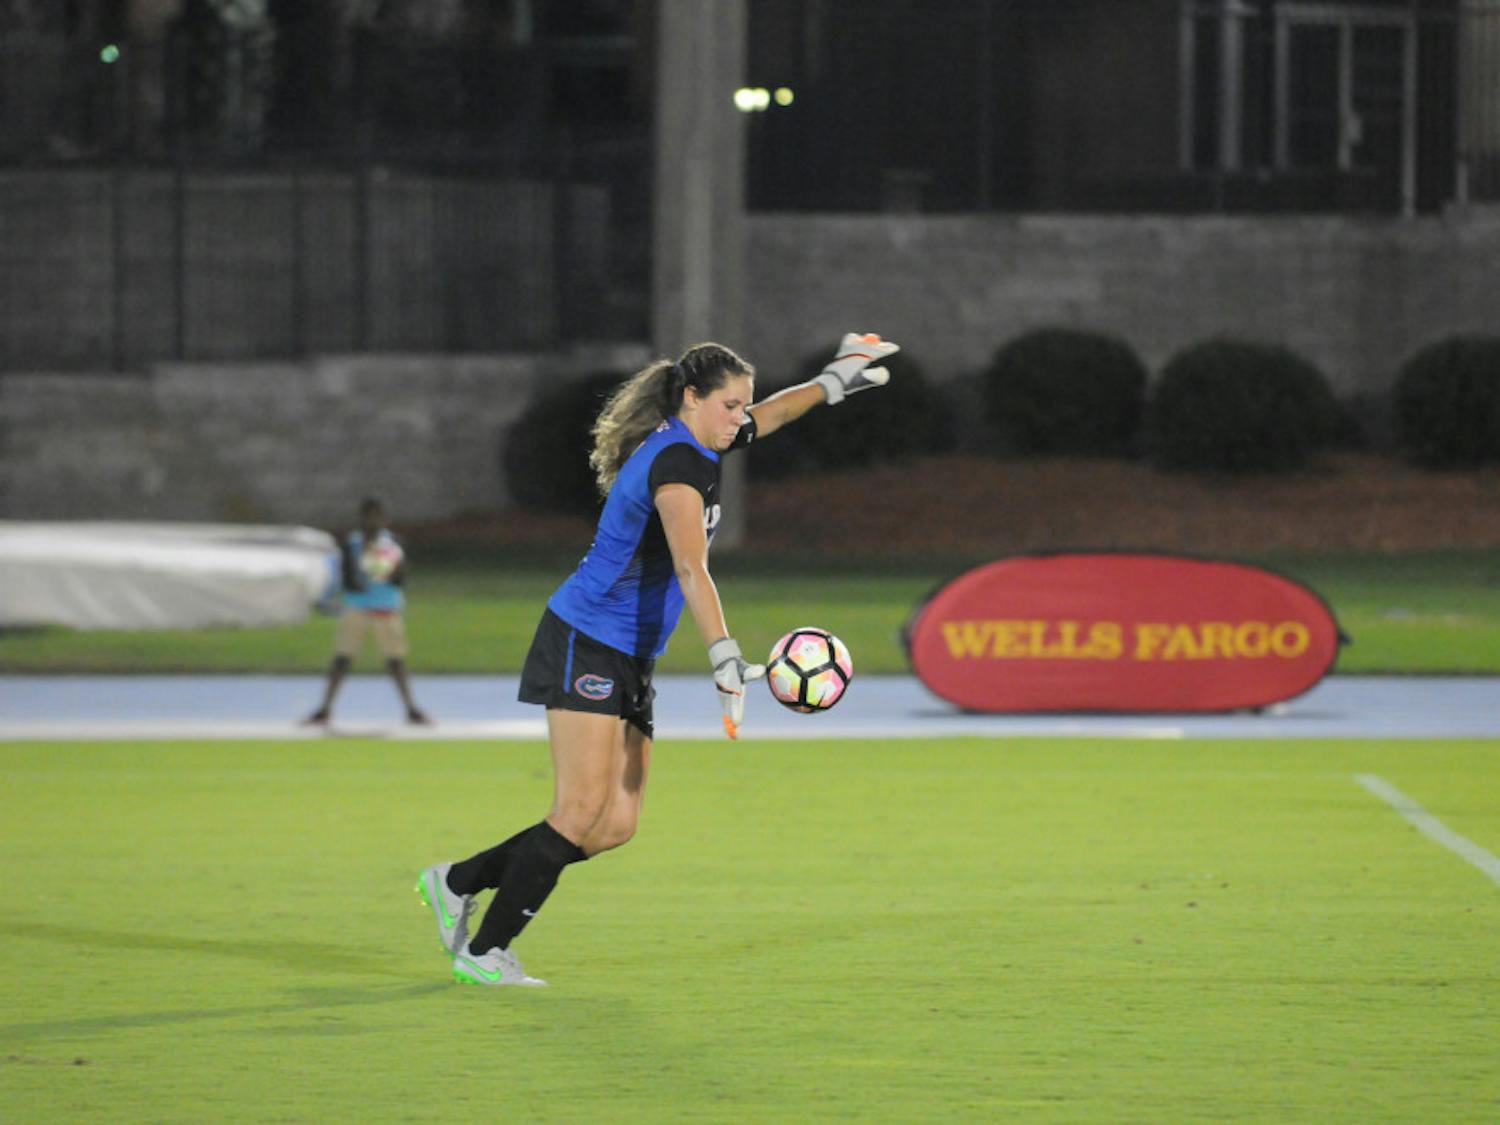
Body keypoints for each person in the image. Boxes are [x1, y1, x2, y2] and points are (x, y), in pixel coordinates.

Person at [416, 331, 900, 988]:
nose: (741, 419)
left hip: (631, 656)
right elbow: (690, 567)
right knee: (579, 808)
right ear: (691, 399)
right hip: (586, 639)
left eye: (742, 407)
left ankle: (457, 879)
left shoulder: (706, 439)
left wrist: (834, 380)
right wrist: (725, 656)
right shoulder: (677, 462)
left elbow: (778, 411)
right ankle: (484, 951)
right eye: (729, 405)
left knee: (615, 824)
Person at [303, 497, 431, 727]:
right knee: (342, 659)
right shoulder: (352, 544)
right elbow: (347, 577)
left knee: (395, 660)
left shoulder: (392, 544)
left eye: (377, 516)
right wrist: (358, 581)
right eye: (369, 515)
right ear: (362, 518)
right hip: (358, 607)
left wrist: (387, 571)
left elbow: (401, 577)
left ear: (384, 518)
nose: (373, 521)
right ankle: (325, 708)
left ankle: (411, 708)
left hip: (386, 608)